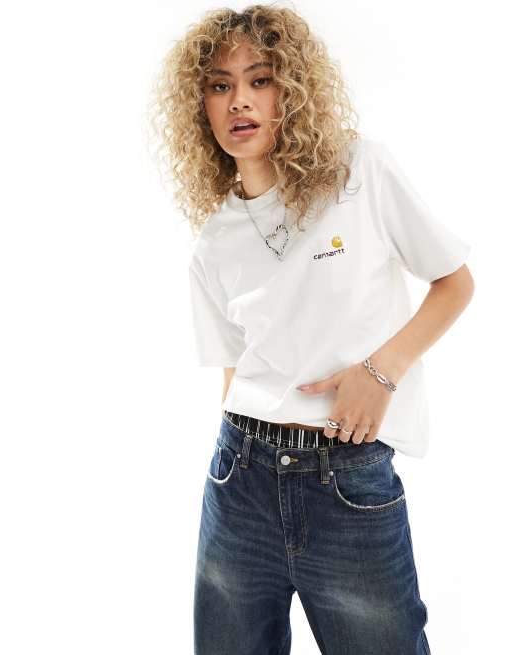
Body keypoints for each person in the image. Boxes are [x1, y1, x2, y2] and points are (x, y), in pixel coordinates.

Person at [148, 5, 474, 654]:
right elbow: (234, 376)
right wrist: (236, 462)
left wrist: (380, 373)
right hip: (239, 479)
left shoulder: (359, 173)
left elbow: (454, 283)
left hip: (346, 479)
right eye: (219, 85)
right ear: (199, 107)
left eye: (260, 79)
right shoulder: (214, 240)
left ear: (292, 90)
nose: (239, 100)